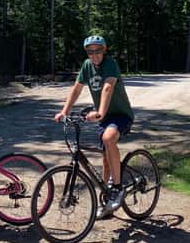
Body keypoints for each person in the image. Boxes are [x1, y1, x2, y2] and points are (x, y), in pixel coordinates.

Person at [54, 35, 134, 217]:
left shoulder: (110, 64)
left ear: (104, 50)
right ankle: (107, 199)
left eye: (98, 50)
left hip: (120, 115)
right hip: (104, 117)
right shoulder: (87, 66)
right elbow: (76, 88)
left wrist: (100, 113)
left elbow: (107, 87)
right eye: (90, 51)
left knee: (108, 138)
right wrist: (64, 112)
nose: (94, 54)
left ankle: (118, 186)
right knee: (105, 157)